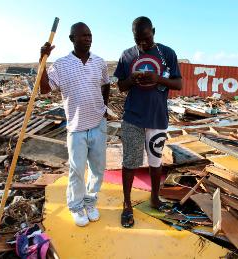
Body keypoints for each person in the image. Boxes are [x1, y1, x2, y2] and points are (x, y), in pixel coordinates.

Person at [39, 22, 110, 227]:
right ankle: (76, 207)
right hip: (77, 127)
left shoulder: (99, 62)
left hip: (98, 124)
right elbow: (45, 89)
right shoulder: (61, 65)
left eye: (89, 35)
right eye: (82, 36)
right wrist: (42, 60)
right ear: (72, 39)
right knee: (77, 171)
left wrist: (104, 109)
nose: (87, 38)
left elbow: (106, 84)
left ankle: (90, 202)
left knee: (97, 170)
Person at [114, 16, 182, 228]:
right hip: (132, 117)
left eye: (146, 38)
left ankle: (154, 198)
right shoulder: (127, 55)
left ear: (153, 31)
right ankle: (127, 205)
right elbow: (121, 87)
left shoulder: (167, 53)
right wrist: (132, 79)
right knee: (130, 162)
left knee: (155, 163)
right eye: (137, 40)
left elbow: (178, 83)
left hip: (157, 117)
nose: (142, 44)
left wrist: (157, 78)